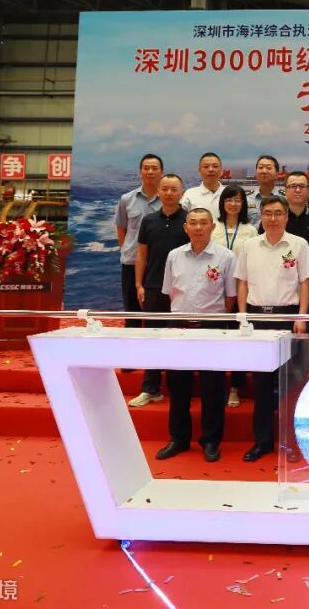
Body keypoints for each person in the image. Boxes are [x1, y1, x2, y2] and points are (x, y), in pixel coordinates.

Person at [155, 207, 236, 463]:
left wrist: (213, 320)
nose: (198, 227)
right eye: (193, 223)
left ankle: (211, 440)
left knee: (213, 387)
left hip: (212, 326)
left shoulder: (226, 257)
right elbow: (169, 291)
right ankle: (178, 438)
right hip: (179, 326)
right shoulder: (174, 256)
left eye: (203, 223)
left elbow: (230, 297)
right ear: (185, 227)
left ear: (212, 227)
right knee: (178, 386)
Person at [234, 195, 309, 463]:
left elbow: (305, 282)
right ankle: (262, 442)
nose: (273, 218)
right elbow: (242, 282)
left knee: (291, 383)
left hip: (288, 317)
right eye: (267, 213)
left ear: (287, 216)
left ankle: (291, 442)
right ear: (261, 216)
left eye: (278, 213)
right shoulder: (249, 245)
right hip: (257, 318)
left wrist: (301, 316)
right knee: (262, 386)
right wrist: (243, 316)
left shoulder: (299, 244)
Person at [130, 173, 188, 407]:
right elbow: (141, 254)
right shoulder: (149, 220)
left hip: (181, 289)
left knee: (178, 338)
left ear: (182, 192)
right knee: (152, 337)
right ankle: (151, 388)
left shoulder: (190, 220)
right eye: (165, 189)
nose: (169, 193)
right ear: (159, 192)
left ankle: (178, 388)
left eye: (174, 189)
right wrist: (139, 284)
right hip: (153, 286)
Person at [211, 184, 257, 408]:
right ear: (222, 203)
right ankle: (216, 384)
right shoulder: (213, 227)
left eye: (238, 200)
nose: (233, 204)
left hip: (241, 290)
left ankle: (235, 387)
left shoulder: (250, 230)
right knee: (217, 340)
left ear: (244, 204)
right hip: (215, 290)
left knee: (239, 339)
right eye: (229, 199)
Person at [114, 153, 162, 331]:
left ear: (161, 172)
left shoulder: (170, 200)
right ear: (140, 172)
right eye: (146, 168)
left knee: (157, 315)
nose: (150, 172)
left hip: (159, 265)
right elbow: (121, 229)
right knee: (132, 312)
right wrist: (128, 250)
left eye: (154, 168)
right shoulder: (127, 199)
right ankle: (131, 347)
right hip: (132, 263)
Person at [280, 170, 309, 255]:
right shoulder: (276, 217)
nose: (297, 190)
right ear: (285, 190)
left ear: (308, 191)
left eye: (302, 186)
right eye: (293, 186)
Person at [247, 155, 280, 231]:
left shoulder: (285, 198)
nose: (264, 171)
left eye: (269, 168)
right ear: (256, 173)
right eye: (261, 167)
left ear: (277, 175)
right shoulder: (246, 198)